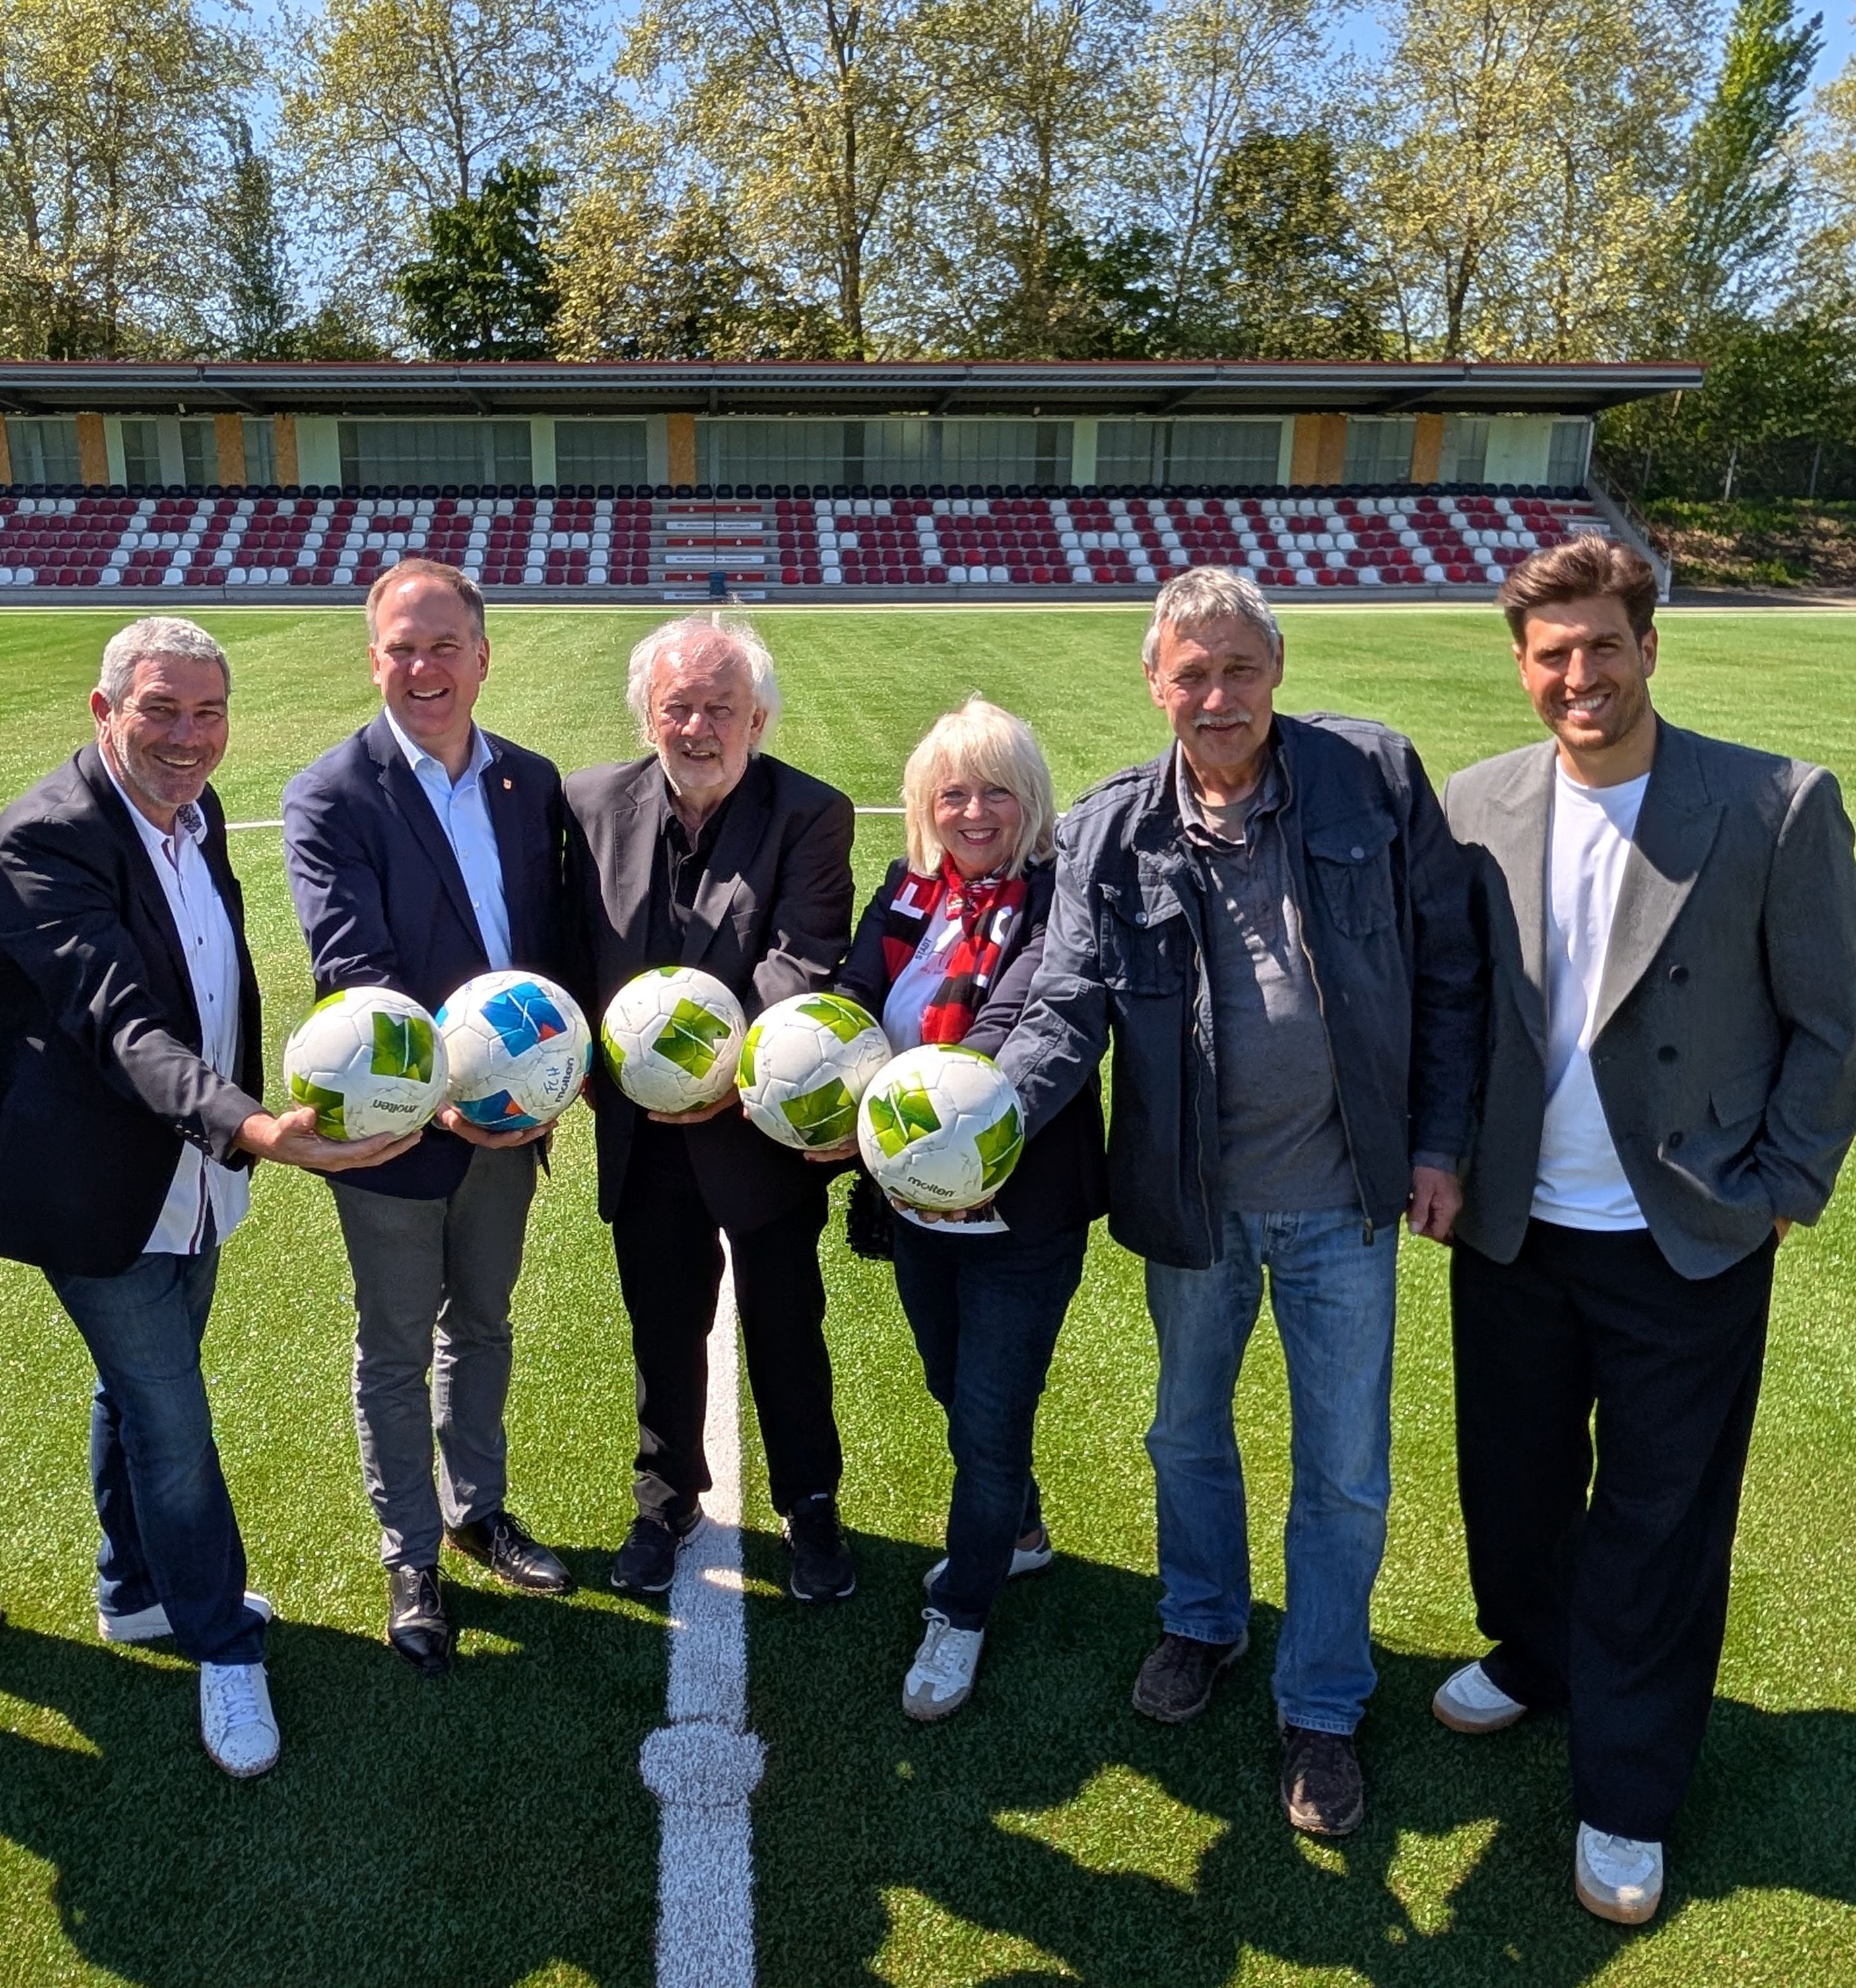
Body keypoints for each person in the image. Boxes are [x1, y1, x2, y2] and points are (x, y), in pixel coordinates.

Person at [997, 566, 1482, 1837]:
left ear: (1277, 672)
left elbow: (1448, 969)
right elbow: (1065, 1004)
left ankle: (1321, 1706)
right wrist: (986, 1115)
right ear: (1155, 683)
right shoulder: (1110, 829)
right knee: (1186, 1433)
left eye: (1240, 671)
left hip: (1346, 1201)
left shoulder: (1372, 777)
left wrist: (1440, 1143)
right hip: (1193, 1203)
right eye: (1193, 676)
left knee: (1345, 1470)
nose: (1219, 698)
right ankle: (1202, 1621)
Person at [1435, 538, 1856, 1924]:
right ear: (1522, 665)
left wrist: (1781, 1185)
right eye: (1551, 653)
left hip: (1684, 1234)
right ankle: (1534, 1654)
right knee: (1511, 1485)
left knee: (1656, 1520)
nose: (1579, 675)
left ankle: (1626, 1792)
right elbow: (1453, 1005)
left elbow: (1832, 1021)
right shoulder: (1474, 803)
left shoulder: (1771, 803)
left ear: (1648, 648)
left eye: (1602, 646)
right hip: (1513, 1231)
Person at [0, 616, 413, 1778]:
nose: (188, 736)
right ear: (103, 710)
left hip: (193, 1183)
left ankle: (133, 1591)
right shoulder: (45, 840)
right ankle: (222, 1646)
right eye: (160, 710)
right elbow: (121, 1023)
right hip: (100, 1191)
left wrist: (233, 1137)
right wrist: (256, 1129)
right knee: (172, 1421)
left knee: (137, 1393)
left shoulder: (193, 815)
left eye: (208, 712)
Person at [281, 560, 576, 1676]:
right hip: (399, 1126)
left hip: (512, 1123)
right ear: (374, 661)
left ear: (482, 657)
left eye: (444, 646)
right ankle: (411, 1556)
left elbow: (550, 941)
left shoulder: (529, 782)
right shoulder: (331, 795)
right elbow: (352, 968)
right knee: (397, 1345)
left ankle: (477, 1509)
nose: (424, 668)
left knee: (484, 1323)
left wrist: (539, 1078)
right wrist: (451, 1089)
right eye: (402, 648)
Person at [566, 615, 860, 1602]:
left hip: (758, 1126)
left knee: (786, 1324)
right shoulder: (590, 803)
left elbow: (803, 958)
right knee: (661, 1322)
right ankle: (665, 1497)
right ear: (647, 715)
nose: (698, 728)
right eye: (677, 706)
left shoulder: (810, 813)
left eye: (720, 709)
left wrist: (714, 1074)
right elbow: (567, 946)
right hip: (640, 1133)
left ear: (758, 720)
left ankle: (810, 1502)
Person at [830, 698, 1107, 1721]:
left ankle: (962, 1609)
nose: (975, 812)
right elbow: (855, 994)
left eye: (998, 791)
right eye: (954, 793)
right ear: (925, 804)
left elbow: (1008, 1028)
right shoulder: (908, 891)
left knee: (990, 1420)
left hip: (1019, 1211)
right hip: (917, 1205)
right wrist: (819, 1067)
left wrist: (915, 1114)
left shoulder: (1058, 899)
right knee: (952, 1382)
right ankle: (1021, 1533)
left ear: (1031, 800)